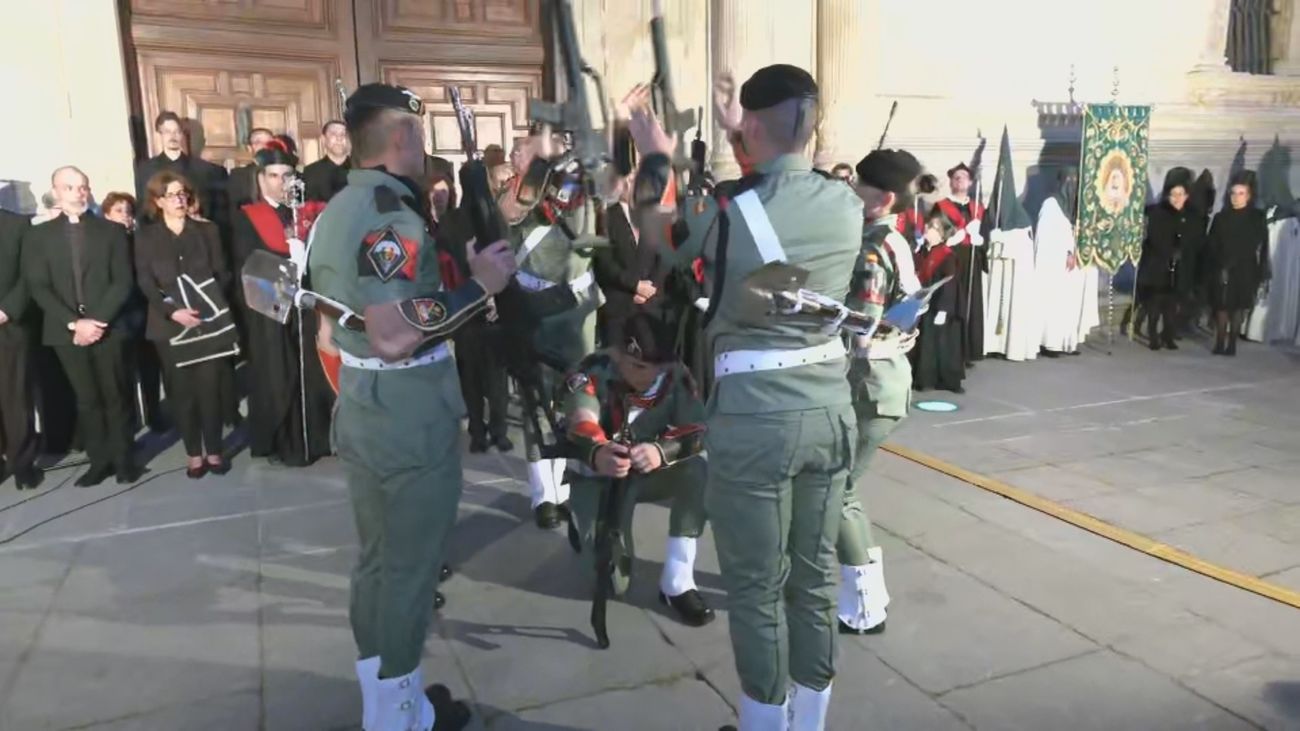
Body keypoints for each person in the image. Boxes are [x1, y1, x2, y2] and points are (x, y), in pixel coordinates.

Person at [630, 65, 860, 730]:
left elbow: (659, 237)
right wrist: (748, 133)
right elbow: (775, 180)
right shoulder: (844, 202)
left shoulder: (725, 210)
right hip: (828, 407)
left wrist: (654, 156)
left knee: (758, 588)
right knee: (813, 579)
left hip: (757, 414)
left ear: (751, 127)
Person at [308, 82, 517, 731]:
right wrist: (481, 287)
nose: (424, 150)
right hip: (406, 411)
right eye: (420, 137)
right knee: (409, 572)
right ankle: (395, 718)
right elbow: (394, 331)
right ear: (401, 139)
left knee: (376, 562)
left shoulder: (338, 206)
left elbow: (331, 319)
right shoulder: (391, 214)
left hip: (365, 403)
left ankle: (388, 703)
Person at [561, 312, 714, 626]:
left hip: (644, 473)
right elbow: (581, 420)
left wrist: (663, 450)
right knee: (613, 584)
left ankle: (677, 581)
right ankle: (582, 521)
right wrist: (599, 451)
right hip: (597, 479)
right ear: (617, 353)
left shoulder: (675, 375)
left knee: (697, 471)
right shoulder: (590, 370)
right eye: (637, 367)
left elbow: (698, 428)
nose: (646, 377)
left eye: (654, 370)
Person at [836, 149, 925, 637]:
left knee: (837, 490)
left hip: (868, 387)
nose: (852, 192)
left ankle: (866, 605)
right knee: (841, 488)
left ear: (884, 198)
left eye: (861, 187)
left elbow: (861, 327)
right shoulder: (896, 239)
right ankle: (866, 592)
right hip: (889, 382)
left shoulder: (871, 249)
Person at [503, 130, 603, 530]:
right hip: (535, 308)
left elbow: (586, 236)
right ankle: (545, 494)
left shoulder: (578, 193)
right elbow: (505, 222)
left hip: (578, 310)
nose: (518, 157)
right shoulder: (513, 196)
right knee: (538, 401)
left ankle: (577, 474)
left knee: (580, 392)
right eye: (519, 153)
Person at [24, 166, 137, 487]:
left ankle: (124, 459)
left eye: (83, 187)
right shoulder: (38, 236)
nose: (79, 193)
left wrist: (96, 320)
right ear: (57, 192)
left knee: (115, 395)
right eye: (71, 188)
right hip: (65, 330)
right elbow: (38, 286)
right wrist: (75, 322)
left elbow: (122, 281)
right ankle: (99, 461)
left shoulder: (111, 231)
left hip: (108, 327)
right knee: (86, 398)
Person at [231, 140, 333, 465]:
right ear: (261, 179)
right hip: (270, 306)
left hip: (308, 303)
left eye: (286, 174)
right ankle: (284, 440)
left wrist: (307, 260)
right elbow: (247, 262)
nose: (280, 181)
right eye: (273, 175)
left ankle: (317, 438)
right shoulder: (249, 216)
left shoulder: (308, 212)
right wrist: (287, 264)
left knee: (312, 369)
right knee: (280, 371)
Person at [135, 172, 238, 478]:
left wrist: (207, 305)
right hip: (168, 325)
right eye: (171, 195)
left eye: (183, 194)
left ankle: (215, 450)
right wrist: (172, 311)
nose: (179, 199)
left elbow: (223, 272)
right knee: (183, 393)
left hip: (207, 320)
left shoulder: (207, 231)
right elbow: (145, 281)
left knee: (210, 389)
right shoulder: (146, 236)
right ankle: (194, 453)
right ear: (158, 201)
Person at [429, 166, 511, 453]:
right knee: (496, 375)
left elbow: (446, 265)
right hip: (494, 307)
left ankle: (478, 431)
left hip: (465, 304)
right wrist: (494, 296)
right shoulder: (496, 216)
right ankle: (499, 430)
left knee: (471, 375)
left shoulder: (452, 220)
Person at [1035, 167, 1099, 357]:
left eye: (1075, 179)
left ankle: (1068, 342)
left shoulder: (1079, 206)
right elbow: (1046, 236)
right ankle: (1050, 344)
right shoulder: (1051, 204)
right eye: (1068, 178)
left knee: (1071, 304)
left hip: (1076, 265)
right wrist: (1065, 253)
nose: (1072, 182)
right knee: (1055, 303)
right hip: (1057, 265)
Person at [0, 208, 41, 490]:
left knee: (14, 396)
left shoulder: (17, 224)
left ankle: (22, 463)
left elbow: (30, 274)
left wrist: (7, 309)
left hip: (9, 324)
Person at [1207, 171, 1270, 356]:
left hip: (1244, 267)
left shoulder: (1256, 217)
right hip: (1222, 266)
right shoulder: (1221, 217)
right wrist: (1220, 263)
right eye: (1233, 193)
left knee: (1237, 306)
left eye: (1241, 193)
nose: (1236, 197)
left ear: (1249, 196)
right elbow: (1213, 243)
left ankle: (1232, 343)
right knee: (1221, 305)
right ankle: (1219, 342)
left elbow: (1257, 242)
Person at [593, 172, 659, 347]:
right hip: (618, 306)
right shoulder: (606, 217)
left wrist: (649, 289)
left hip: (648, 305)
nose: (631, 185)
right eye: (627, 180)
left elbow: (660, 257)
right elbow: (605, 263)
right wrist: (635, 287)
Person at [134, 112, 229, 232]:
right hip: (160, 235)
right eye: (167, 132)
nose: (172, 136)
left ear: (182, 135)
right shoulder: (146, 169)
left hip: (197, 234)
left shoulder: (204, 170)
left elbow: (215, 209)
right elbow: (143, 208)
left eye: (177, 131)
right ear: (159, 135)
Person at [931, 162, 987, 367]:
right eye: (956, 177)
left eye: (963, 177)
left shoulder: (978, 209)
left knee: (971, 304)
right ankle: (950, 351)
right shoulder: (941, 207)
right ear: (951, 181)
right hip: (950, 260)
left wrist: (980, 240)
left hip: (971, 258)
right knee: (951, 304)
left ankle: (968, 351)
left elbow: (986, 234)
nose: (960, 180)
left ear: (971, 182)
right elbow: (937, 233)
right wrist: (956, 235)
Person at [1139, 168, 1198, 351]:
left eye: (1180, 194)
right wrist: (1170, 251)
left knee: (1172, 305)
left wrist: (1183, 251)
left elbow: (1194, 239)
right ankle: (1154, 335)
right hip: (1158, 264)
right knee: (1156, 303)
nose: (1176, 198)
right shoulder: (1158, 212)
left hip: (1180, 267)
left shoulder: (1191, 215)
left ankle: (1168, 334)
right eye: (1173, 194)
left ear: (1186, 195)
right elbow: (1155, 238)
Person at [913, 211, 966, 393]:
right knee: (926, 342)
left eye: (933, 228)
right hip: (925, 303)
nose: (927, 231)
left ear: (941, 234)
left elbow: (949, 284)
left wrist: (944, 308)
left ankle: (946, 379)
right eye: (927, 227)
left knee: (943, 343)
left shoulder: (946, 255)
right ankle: (925, 378)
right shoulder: (922, 251)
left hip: (940, 305)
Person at [304, 120, 352, 202]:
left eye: (343, 134)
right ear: (323, 139)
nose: (339, 138)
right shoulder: (310, 172)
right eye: (333, 134)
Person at [229, 127, 276, 209]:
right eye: (258, 142)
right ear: (249, 148)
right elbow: (233, 208)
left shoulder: (284, 173)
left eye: (269, 143)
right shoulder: (238, 175)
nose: (264, 146)